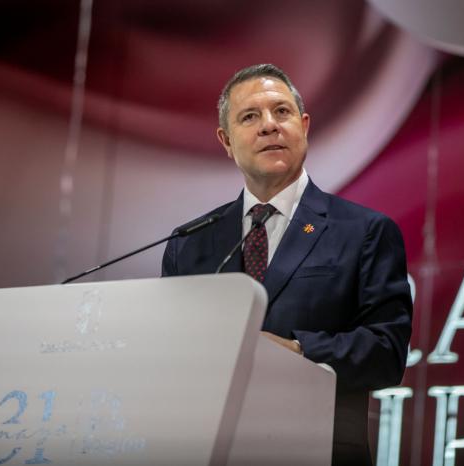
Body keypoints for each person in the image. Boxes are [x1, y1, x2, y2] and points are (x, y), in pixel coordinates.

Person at [161, 64, 412, 465]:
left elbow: (387, 352)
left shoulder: (364, 231)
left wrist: (297, 349)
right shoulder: (189, 244)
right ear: (226, 141)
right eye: (249, 117)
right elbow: (169, 360)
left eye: (281, 112)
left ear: (304, 126)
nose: (269, 126)